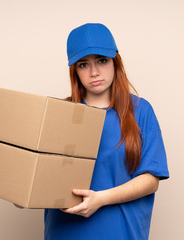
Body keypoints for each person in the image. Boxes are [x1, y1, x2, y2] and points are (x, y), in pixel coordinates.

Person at [43, 23, 169, 240]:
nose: (94, 72)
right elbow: (39, 174)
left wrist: (101, 199)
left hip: (120, 232)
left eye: (101, 60)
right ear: (75, 70)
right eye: (83, 64)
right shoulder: (60, 114)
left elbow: (151, 179)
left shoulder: (140, 111)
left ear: (115, 62)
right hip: (66, 232)